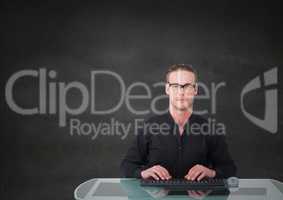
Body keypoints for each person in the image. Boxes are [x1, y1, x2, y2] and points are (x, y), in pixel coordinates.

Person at [120, 64, 237, 181]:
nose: (181, 92)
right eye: (175, 86)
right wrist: (143, 173)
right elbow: (126, 166)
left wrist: (211, 173)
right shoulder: (149, 126)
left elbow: (229, 169)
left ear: (195, 89)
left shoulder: (210, 129)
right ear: (167, 89)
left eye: (187, 86)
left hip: (197, 198)